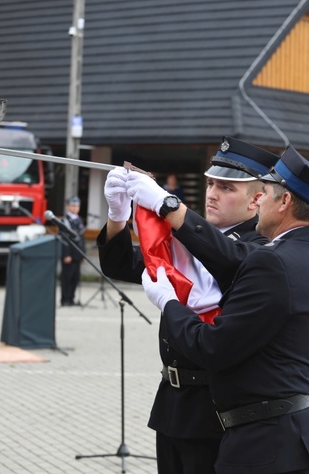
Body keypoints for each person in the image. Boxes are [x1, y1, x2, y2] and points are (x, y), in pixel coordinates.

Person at [130, 145, 309, 473]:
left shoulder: (273, 261)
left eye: (265, 194)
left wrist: (168, 301)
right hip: (300, 436)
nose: (259, 202)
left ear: (284, 202)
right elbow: (232, 263)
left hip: (266, 443)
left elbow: (211, 348)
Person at [98, 138, 277, 473]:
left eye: (226, 188)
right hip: (173, 402)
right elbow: (121, 265)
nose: (212, 193)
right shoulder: (192, 238)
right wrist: (118, 215)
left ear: (256, 199)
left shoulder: (260, 249)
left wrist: (167, 205)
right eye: (211, 183)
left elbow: (227, 258)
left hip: (217, 409)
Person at [59, 196, 85, 307]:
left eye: (77, 206)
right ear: (68, 206)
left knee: (75, 278)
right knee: (66, 278)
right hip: (69, 255)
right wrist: (66, 254)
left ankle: (72, 298)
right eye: (73, 206)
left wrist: (83, 254)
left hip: (77, 254)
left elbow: (82, 239)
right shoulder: (64, 221)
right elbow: (63, 239)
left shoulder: (79, 220)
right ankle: (65, 299)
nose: (75, 208)